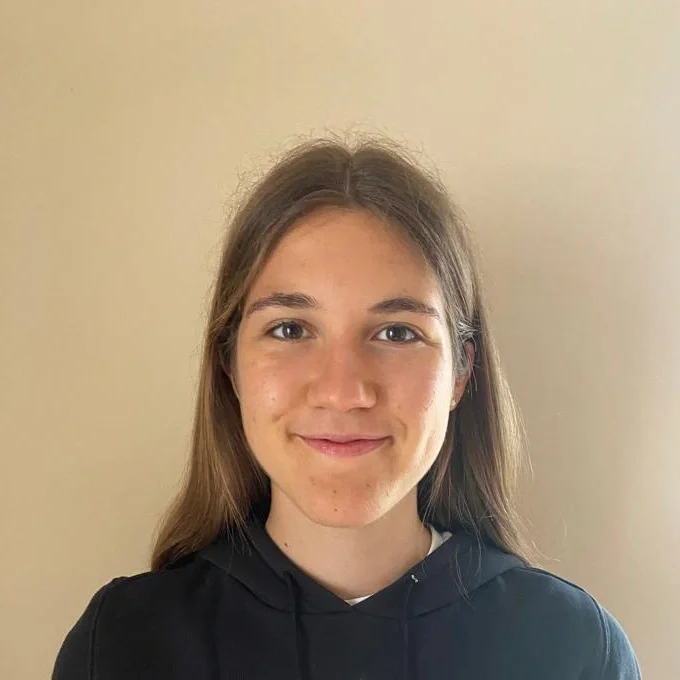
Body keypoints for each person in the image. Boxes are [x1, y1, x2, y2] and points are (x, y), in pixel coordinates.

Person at [52, 137, 642, 679]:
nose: (343, 390)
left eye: (397, 333)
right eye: (289, 329)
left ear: (462, 371)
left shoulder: (574, 650)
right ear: (229, 363)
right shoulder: (122, 644)